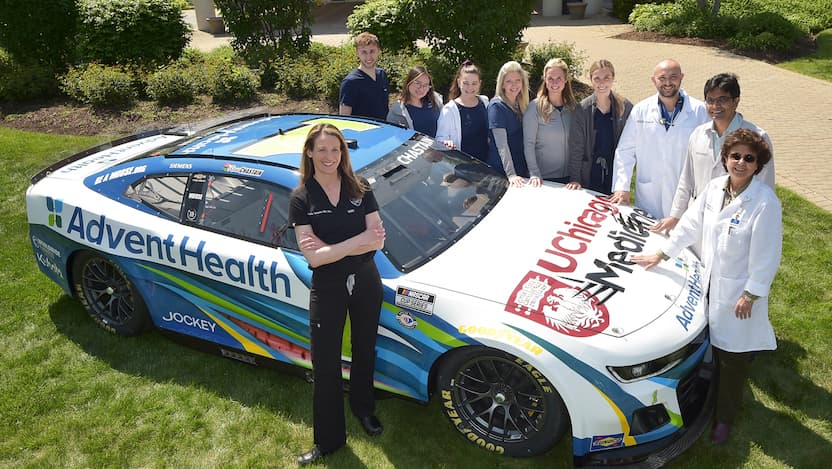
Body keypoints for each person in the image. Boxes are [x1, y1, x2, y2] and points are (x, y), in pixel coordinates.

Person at [631, 128, 782, 446]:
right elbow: (690, 225)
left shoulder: (765, 202)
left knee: (733, 359)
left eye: (749, 158)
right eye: (735, 156)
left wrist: (751, 293)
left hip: (738, 295)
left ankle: (724, 419)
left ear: (758, 164)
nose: (740, 162)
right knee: (708, 350)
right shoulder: (715, 188)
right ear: (725, 158)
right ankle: (703, 399)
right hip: (709, 282)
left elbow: (767, 254)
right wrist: (662, 253)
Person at [289, 124, 386, 466]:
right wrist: (357, 242)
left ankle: (364, 409)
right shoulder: (302, 198)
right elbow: (314, 258)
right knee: (326, 363)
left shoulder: (360, 187)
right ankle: (329, 441)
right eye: (322, 149)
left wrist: (333, 248)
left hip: (366, 279)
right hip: (328, 286)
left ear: (342, 152)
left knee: (364, 348)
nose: (329, 156)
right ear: (310, 152)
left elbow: (378, 240)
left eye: (336, 149)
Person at [652, 73, 775, 235]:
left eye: (722, 100)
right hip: (696, 220)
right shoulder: (698, 134)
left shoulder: (758, 137)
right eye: (710, 100)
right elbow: (687, 179)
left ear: (736, 101)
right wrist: (675, 215)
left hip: (734, 225)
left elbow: (765, 188)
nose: (715, 106)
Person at [610, 59, 709, 218]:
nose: (668, 82)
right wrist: (622, 186)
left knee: (682, 230)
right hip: (649, 194)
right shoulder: (641, 110)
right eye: (662, 78)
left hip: (685, 194)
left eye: (673, 77)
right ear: (653, 80)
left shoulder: (700, 112)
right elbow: (625, 150)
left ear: (682, 77)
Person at [565, 59, 633, 194]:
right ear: (591, 80)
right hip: (589, 174)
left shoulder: (626, 108)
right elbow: (576, 148)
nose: (602, 83)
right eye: (597, 78)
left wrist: (623, 185)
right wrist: (575, 179)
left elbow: (631, 147)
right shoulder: (582, 110)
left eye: (606, 78)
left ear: (613, 78)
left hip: (615, 175)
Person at [523, 58, 577, 187]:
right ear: (545, 80)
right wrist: (535, 173)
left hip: (569, 179)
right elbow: (528, 144)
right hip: (543, 179)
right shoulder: (534, 108)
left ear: (565, 80)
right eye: (550, 78)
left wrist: (576, 175)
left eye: (559, 78)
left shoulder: (573, 108)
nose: (554, 82)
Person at [436, 61, 490, 164]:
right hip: (462, 167)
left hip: (487, 165)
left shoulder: (485, 102)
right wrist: (446, 143)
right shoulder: (449, 109)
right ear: (459, 82)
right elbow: (439, 140)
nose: (470, 87)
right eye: (466, 83)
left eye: (474, 83)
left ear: (480, 83)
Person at [487, 60, 530, 185]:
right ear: (502, 84)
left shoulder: (521, 104)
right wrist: (511, 175)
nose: (514, 85)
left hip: (520, 168)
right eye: (509, 81)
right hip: (502, 173)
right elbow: (502, 146)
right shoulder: (496, 107)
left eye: (517, 80)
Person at [339, 32, 390, 120]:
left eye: (372, 51)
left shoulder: (382, 75)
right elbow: (344, 119)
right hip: (363, 129)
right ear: (357, 53)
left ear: (378, 51)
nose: (368, 57)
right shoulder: (350, 82)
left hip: (383, 127)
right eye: (364, 52)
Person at [386, 65, 443, 137]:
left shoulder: (436, 100)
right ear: (409, 82)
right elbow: (393, 136)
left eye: (425, 85)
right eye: (418, 83)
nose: (421, 88)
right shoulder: (398, 110)